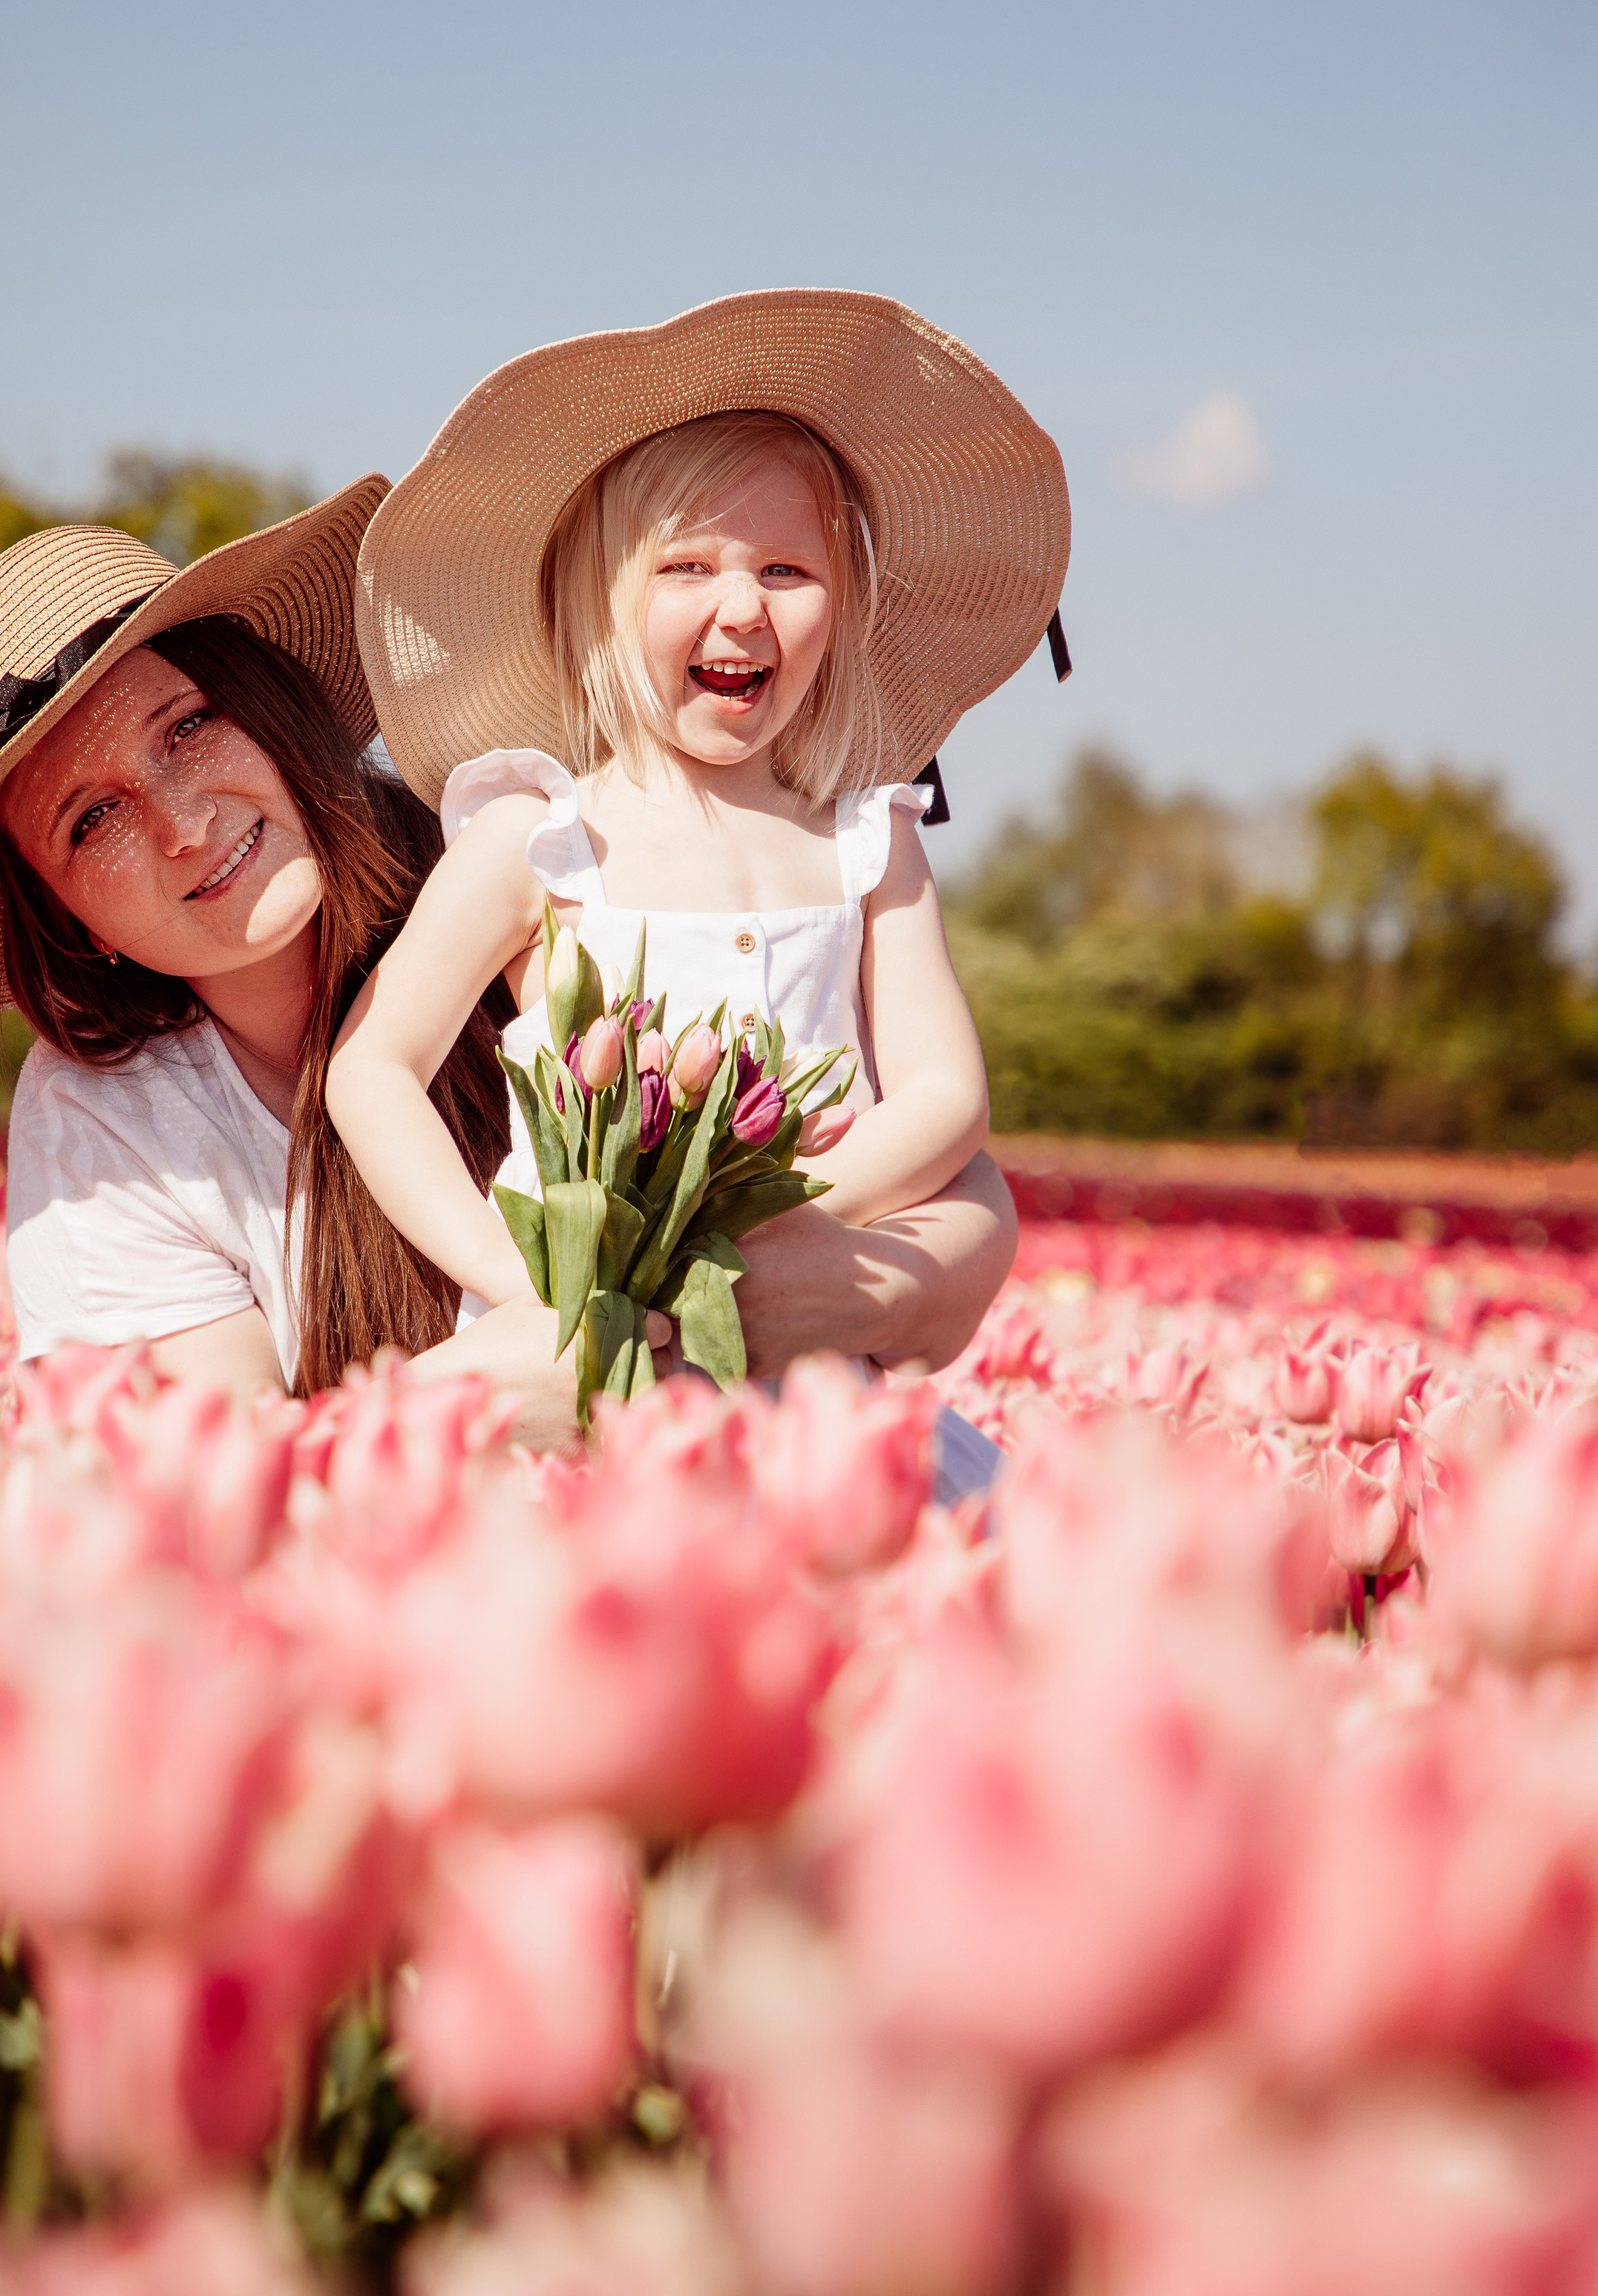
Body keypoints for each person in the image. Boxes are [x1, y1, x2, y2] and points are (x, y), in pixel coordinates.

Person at [0, 459, 1021, 1439]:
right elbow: (210, 1492)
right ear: (66, 917)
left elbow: (958, 1176)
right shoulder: (113, 1129)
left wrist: (861, 1285)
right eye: (90, 820)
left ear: (270, 699)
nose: (182, 820)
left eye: (189, 725)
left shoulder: (535, 874)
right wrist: (468, 1400)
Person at [328, 288, 1069, 1446]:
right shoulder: (539, 838)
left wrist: (774, 1228)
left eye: (786, 571)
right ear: (601, 603)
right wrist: (512, 1266)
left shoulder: (864, 840)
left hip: (805, 1389)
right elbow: (373, 1066)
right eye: (687, 567)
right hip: (579, 1379)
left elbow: (944, 1095)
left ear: (847, 605)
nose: (741, 609)